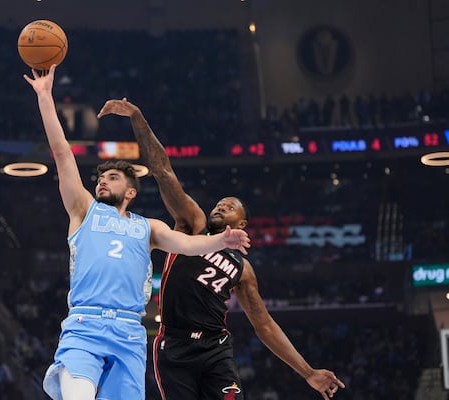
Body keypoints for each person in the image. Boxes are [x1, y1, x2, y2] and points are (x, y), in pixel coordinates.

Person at [23, 66, 251, 400]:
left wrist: (222, 240)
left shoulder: (149, 228)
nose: (102, 181)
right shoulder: (84, 210)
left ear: (131, 191)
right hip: (85, 326)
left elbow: (188, 244)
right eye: (100, 178)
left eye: (112, 177)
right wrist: (45, 97)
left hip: (129, 333)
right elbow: (61, 152)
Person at [97, 98, 346, 400]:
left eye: (230, 206)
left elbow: (264, 325)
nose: (220, 205)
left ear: (242, 223)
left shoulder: (243, 269)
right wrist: (138, 118)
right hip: (174, 348)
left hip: (215, 349)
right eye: (219, 203)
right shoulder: (193, 226)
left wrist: (308, 372)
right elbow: (163, 172)